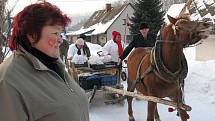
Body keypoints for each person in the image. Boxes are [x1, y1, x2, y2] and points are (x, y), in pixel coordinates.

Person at [0, 2, 89, 121]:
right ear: (32, 35)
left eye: (60, 34)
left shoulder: (54, 65)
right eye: (55, 33)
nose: (60, 40)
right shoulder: (9, 81)